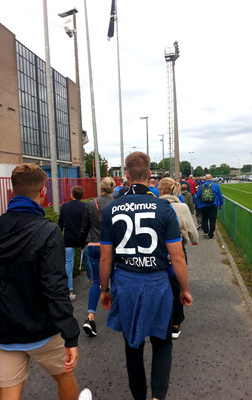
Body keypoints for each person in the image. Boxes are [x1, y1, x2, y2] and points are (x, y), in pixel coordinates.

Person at [0, 164, 87, 400]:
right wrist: (70, 335)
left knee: (10, 391)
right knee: (65, 378)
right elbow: (56, 289)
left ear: (12, 192)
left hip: (5, 331)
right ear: (43, 192)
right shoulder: (47, 231)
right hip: (42, 329)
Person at [99, 152, 193, 400]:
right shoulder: (163, 207)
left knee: (133, 346)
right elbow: (177, 256)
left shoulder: (111, 209)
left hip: (126, 283)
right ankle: (157, 397)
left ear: (126, 176)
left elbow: (106, 258)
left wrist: (104, 289)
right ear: (150, 174)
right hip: (158, 284)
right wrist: (184, 289)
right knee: (162, 343)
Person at [158, 178, 198, 339]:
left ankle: (161, 320)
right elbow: (192, 230)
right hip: (178, 248)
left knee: (160, 285)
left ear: (160, 190)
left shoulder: (155, 206)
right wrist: (194, 240)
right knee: (178, 287)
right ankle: (176, 323)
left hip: (158, 251)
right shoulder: (182, 207)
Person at [79, 177, 115, 337]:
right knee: (115, 278)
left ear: (101, 189)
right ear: (113, 189)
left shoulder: (91, 204)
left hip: (93, 246)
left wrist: (81, 245)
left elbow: (84, 227)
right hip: (111, 248)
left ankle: (90, 317)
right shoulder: (116, 205)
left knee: (96, 282)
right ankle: (118, 314)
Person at [58, 186, 87, 301]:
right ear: (82, 195)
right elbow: (86, 224)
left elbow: (60, 224)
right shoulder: (85, 206)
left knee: (68, 264)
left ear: (72, 194)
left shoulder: (64, 206)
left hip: (68, 239)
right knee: (87, 259)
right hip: (81, 239)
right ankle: (92, 279)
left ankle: (70, 290)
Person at [196, 174, 223, 240]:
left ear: (205, 179)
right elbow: (220, 195)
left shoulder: (201, 186)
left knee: (204, 219)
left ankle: (205, 231)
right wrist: (221, 203)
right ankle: (211, 234)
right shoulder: (216, 185)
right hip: (213, 205)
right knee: (212, 220)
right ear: (211, 178)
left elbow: (197, 196)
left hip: (203, 205)